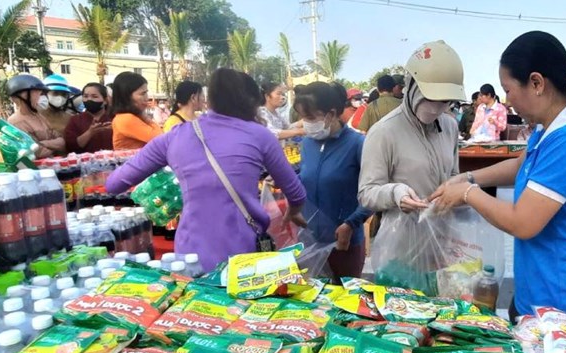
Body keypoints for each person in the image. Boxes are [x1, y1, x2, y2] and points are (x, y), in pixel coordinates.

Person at [430, 31, 566, 319]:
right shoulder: (549, 129)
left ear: (536, 83)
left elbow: (523, 223)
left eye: (508, 89)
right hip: (540, 295)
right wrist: (468, 179)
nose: (507, 100)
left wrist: (468, 194)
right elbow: (521, 164)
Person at [106, 68, 307, 272]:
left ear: (209, 100)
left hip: (190, 256)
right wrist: (293, 211)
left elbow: (114, 184)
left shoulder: (174, 136)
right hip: (243, 255)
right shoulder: (260, 135)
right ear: (252, 103)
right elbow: (296, 192)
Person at [359, 40, 464, 215]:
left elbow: (453, 174)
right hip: (402, 235)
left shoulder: (450, 126)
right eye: (430, 97)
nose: (435, 107)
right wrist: (395, 194)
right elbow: (367, 193)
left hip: (444, 233)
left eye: (444, 101)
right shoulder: (384, 132)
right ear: (411, 85)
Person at [295, 82, 372, 280]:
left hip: (345, 243)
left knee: (343, 302)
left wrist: (351, 223)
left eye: (310, 117)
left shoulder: (357, 144)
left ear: (331, 114)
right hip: (310, 241)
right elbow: (307, 177)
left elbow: (373, 193)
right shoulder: (307, 144)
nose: (305, 123)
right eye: (303, 117)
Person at [6, 74, 65, 158]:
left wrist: (43, 143)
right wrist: (53, 144)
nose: (41, 97)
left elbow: (62, 142)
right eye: (38, 94)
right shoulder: (16, 122)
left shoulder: (39, 116)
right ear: (24, 96)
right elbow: (36, 152)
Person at [111, 72, 163, 150]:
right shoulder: (126, 119)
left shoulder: (130, 117)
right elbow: (161, 139)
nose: (146, 98)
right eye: (142, 94)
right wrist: (146, 118)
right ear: (127, 97)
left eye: (146, 92)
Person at [65, 83, 113, 153]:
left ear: (105, 100)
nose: (89, 99)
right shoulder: (75, 120)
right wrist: (90, 132)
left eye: (94, 96)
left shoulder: (114, 118)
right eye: (85, 96)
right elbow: (71, 146)